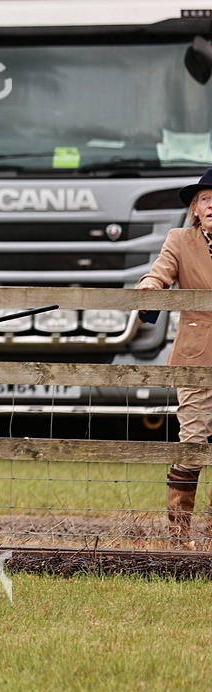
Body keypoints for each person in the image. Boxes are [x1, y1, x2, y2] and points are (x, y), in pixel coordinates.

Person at [137, 167, 212, 549]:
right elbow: (158, 274)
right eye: (205, 199)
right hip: (195, 356)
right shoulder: (180, 240)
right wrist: (150, 294)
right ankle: (179, 535)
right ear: (196, 209)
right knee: (193, 440)